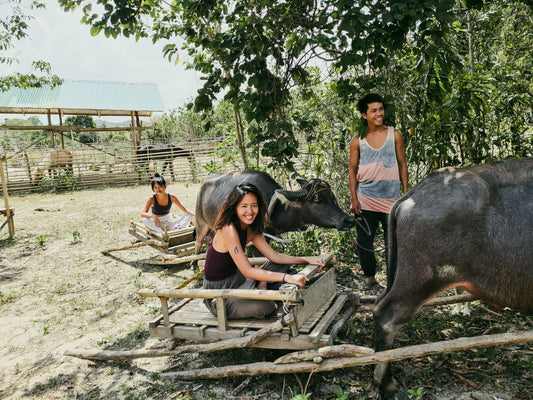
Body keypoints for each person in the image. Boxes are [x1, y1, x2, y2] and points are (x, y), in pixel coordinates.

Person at [203, 182, 326, 320]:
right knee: (267, 307)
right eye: (244, 206)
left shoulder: (250, 228)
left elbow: (275, 257)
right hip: (219, 294)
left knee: (281, 263)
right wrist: (288, 277)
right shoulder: (228, 229)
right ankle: (264, 290)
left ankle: (263, 285)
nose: (250, 211)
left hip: (242, 281)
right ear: (234, 207)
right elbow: (248, 271)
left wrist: (307, 259)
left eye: (254, 206)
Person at [349, 93, 409, 289]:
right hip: (365, 199)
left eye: (381, 109)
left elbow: (402, 163)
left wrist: (406, 193)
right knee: (364, 241)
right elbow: (352, 169)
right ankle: (370, 279)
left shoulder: (395, 135)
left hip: (391, 200)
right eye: (373, 110)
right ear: (364, 115)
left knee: (393, 243)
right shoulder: (358, 140)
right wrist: (354, 199)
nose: (379, 113)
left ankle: (394, 281)